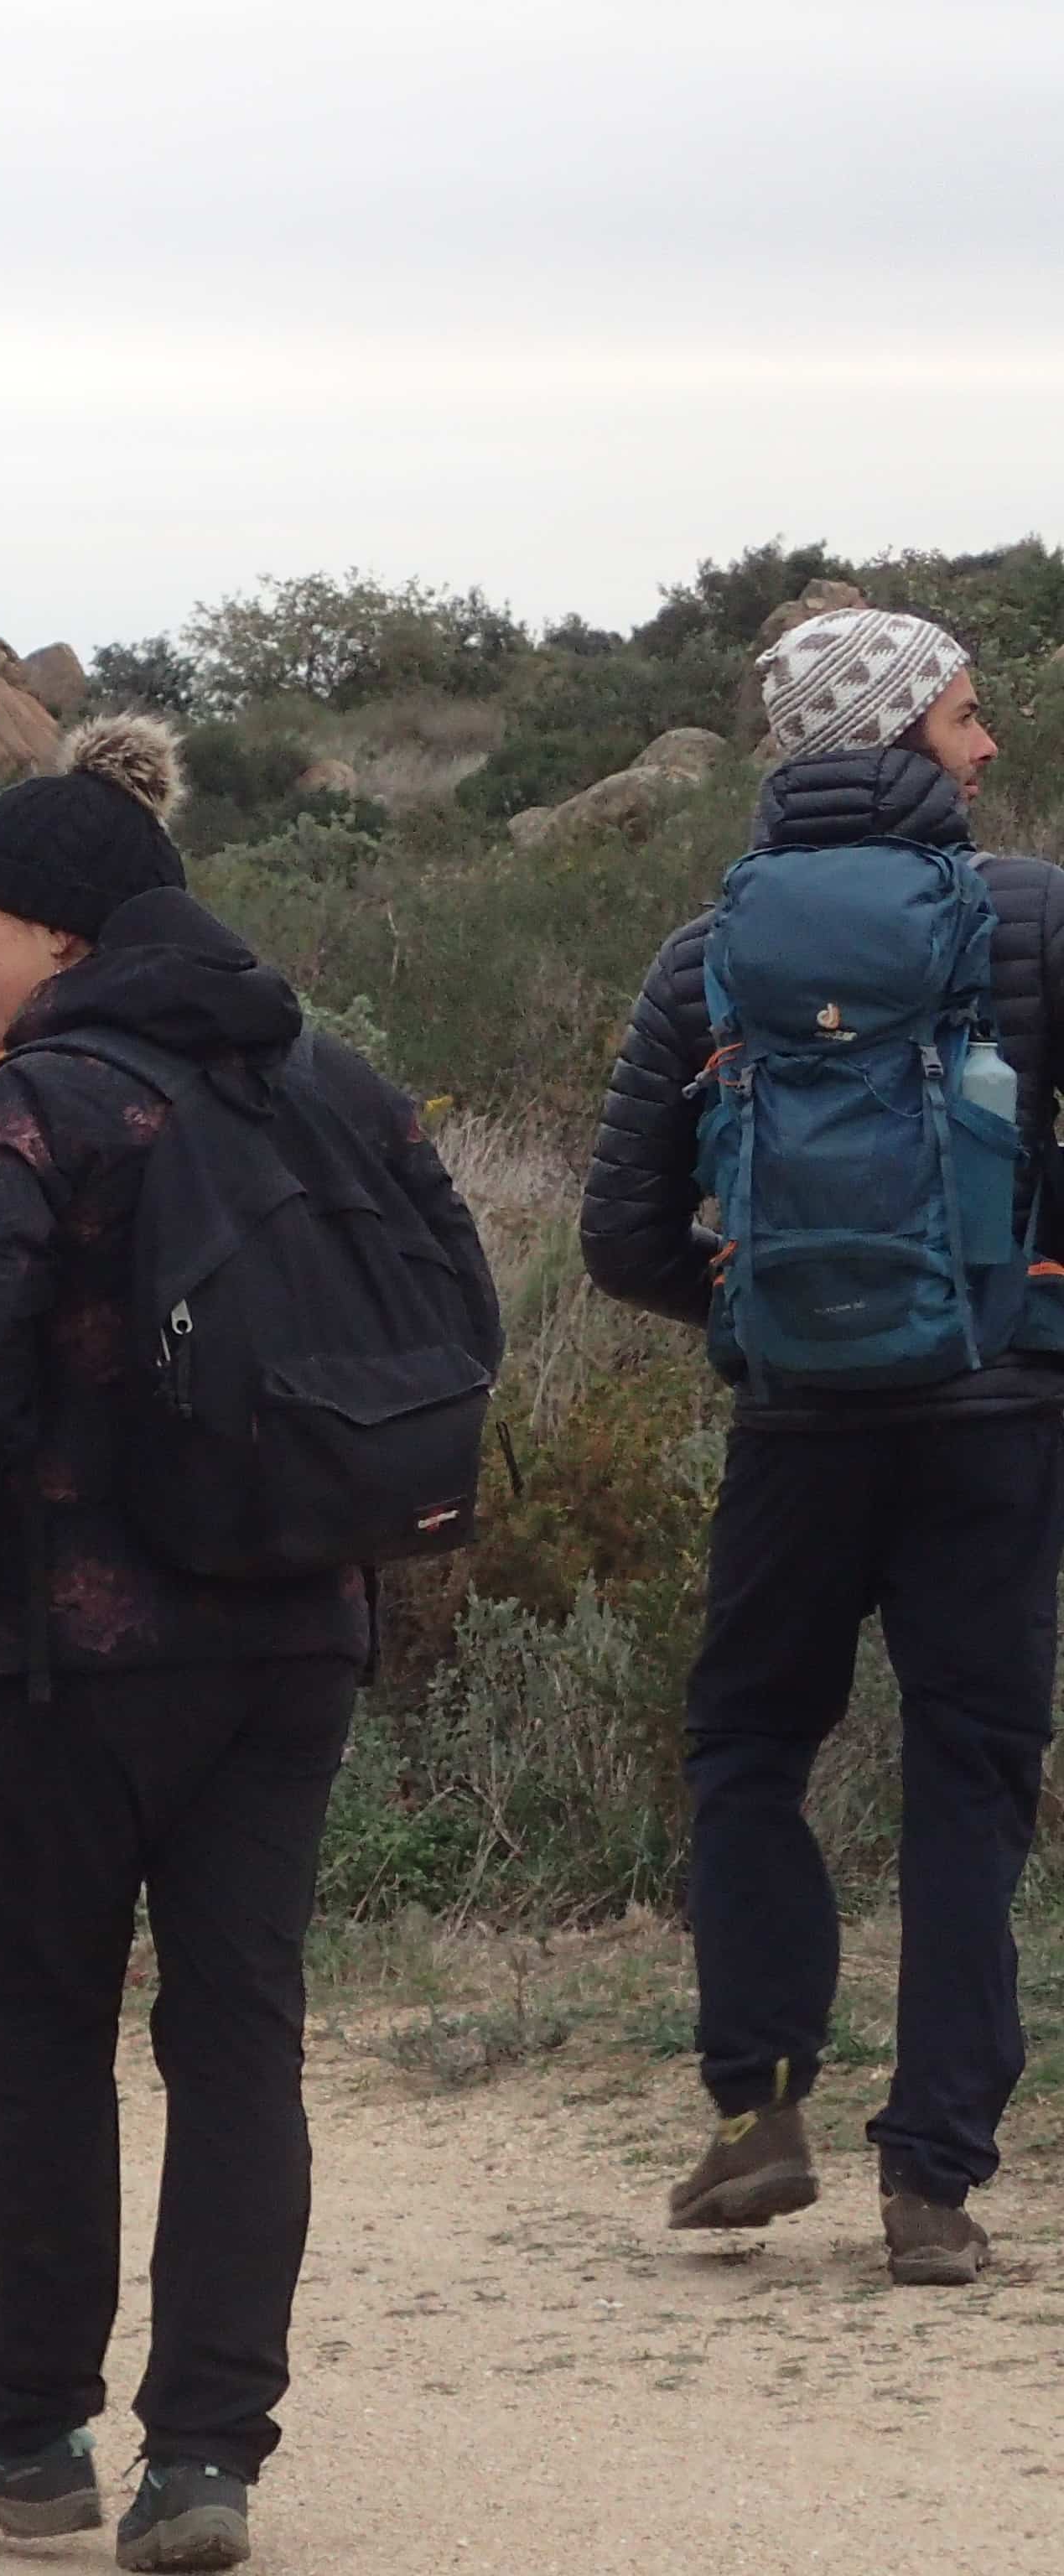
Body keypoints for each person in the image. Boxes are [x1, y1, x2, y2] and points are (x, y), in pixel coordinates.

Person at [0, 721, 496, 2573]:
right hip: (304, 1633)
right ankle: (207, 2457)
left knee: (44, 2028)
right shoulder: (338, 1080)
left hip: (81, 1658)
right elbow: (461, 1308)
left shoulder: (44, 1107)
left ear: (61, 930)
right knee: (243, 2042)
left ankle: (27, 2435)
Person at [579, 607, 1061, 2290]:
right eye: (962, 716)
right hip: (997, 1422)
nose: (986, 745)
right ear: (896, 736)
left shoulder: (707, 950)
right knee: (970, 1776)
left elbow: (618, 1228)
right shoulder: (1038, 920)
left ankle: (757, 2112)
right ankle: (931, 2184)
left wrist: (746, 1315)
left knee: (749, 1748)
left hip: (795, 1427)